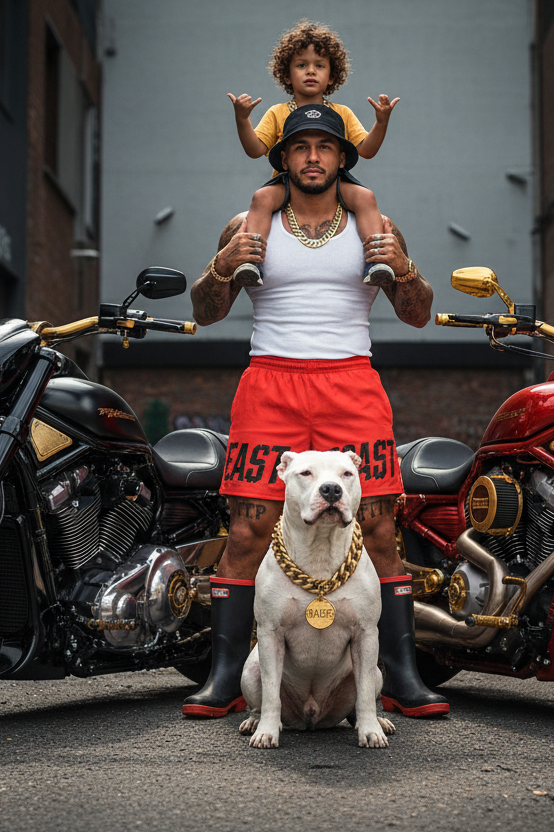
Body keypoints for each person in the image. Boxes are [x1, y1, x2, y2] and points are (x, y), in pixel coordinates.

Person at [182, 104, 449, 720]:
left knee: (380, 528)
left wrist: (402, 268)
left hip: (351, 380)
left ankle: (399, 675)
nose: (311, 157)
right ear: (283, 157)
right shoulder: (247, 223)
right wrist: (222, 267)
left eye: (324, 147)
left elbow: (418, 312)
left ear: (341, 157)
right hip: (270, 381)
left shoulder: (373, 223)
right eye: (299, 147)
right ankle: (225, 676)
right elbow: (205, 310)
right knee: (248, 530)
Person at [227, 20, 400, 287]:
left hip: (334, 182)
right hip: (287, 182)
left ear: (331, 76)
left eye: (319, 65)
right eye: (301, 65)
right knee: (261, 198)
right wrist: (242, 120)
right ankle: (253, 263)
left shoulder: (342, 113)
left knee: (366, 197)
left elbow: (366, 150)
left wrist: (382, 122)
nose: (311, 71)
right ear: (287, 75)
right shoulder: (276, 112)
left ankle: (376, 262)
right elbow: (255, 150)